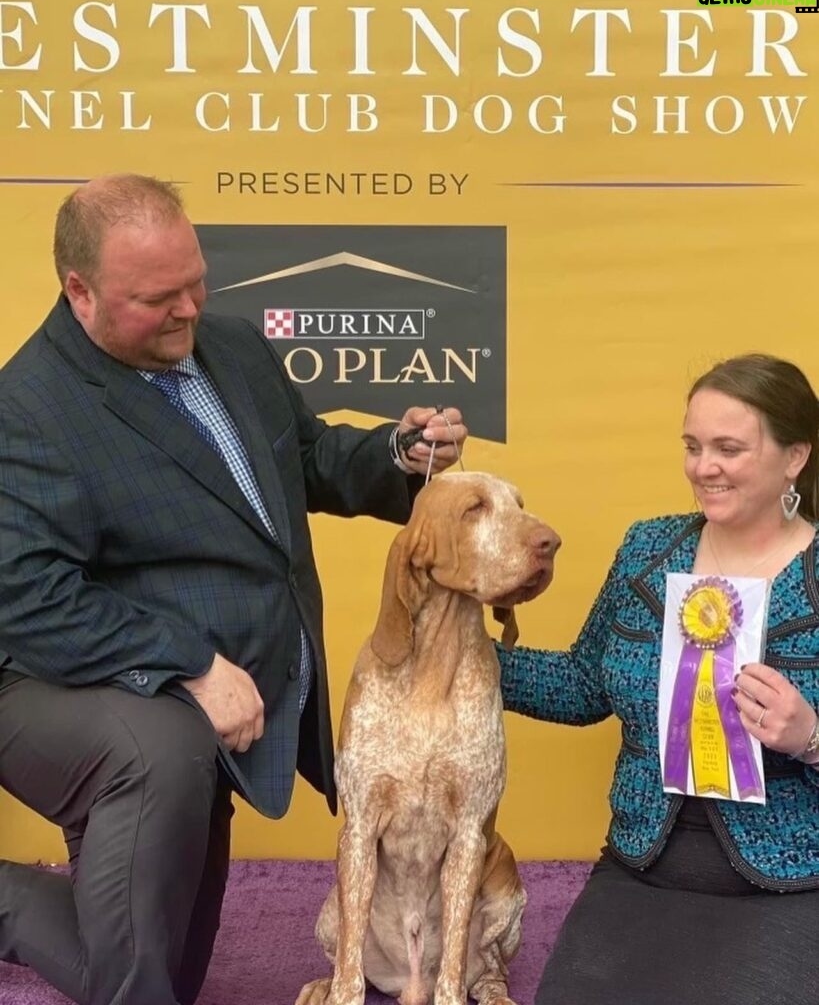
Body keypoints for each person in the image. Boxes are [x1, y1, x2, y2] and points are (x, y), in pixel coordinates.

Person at [0, 173, 467, 1005]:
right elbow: (28, 599)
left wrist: (395, 455)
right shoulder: (26, 409)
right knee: (161, 751)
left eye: (196, 283)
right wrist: (188, 663)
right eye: (157, 298)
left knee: (163, 975)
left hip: (208, 689)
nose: (187, 310)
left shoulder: (234, 345)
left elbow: (309, 460)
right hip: (51, 681)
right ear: (80, 291)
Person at [497, 353, 819, 1005]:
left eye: (728, 448)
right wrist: (469, 660)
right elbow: (586, 685)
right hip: (639, 872)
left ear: (793, 458)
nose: (703, 467)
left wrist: (810, 736)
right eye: (692, 446)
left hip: (791, 884)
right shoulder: (647, 549)